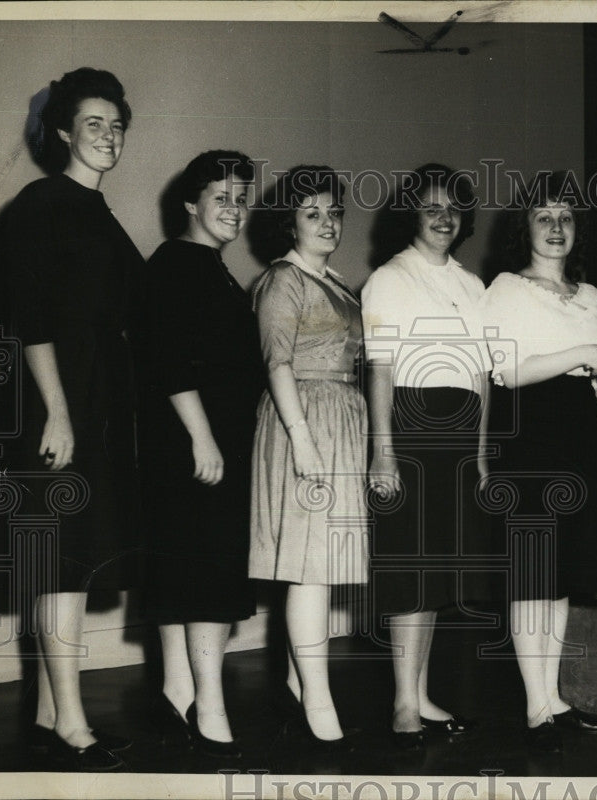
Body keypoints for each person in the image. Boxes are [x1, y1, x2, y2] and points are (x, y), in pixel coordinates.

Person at [0, 68, 143, 771]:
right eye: (94, 123)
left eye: (117, 125)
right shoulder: (41, 204)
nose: (109, 135)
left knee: (73, 560)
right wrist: (57, 414)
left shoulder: (98, 211)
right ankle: (74, 728)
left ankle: (49, 714)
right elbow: (32, 322)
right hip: (57, 404)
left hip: (95, 401)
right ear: (61, 132)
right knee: (59, 562)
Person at [480, 172, 597, 752]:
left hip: (582, 437)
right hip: (530, 434)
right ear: (526, 228)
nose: (557, 227)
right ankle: (535, 704)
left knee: (562, 572)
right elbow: (509, 371)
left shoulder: (591, 297)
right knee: (532, 573)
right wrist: (588, 352)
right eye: (544, 217)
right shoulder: (507, 289)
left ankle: (555, 698)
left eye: (567, 217)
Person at [139, 151, 263, 758]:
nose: (234, 210)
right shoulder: (177, 265)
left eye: (241, 199)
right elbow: (166, 358)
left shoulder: (208, 267)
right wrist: (203, 437)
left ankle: (176, 695)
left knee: (185, 571)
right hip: (196, 444)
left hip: (205, 443)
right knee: (209, 574)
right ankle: (210, 709)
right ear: (191, 205)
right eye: (221, 198)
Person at [361, 164, 489, 749]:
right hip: (411, 426)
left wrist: (482, 454)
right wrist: (383, 453)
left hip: (461, 435)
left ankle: (421, 692)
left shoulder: (471, 283)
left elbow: (483, 377)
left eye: (453, 209)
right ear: (411, 215)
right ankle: (402, 703)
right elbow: (381, 369)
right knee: (411, 569)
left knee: (437, 571)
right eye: (431, 208)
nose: (443, 218)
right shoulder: (390, 278)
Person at [250, 166, 368, 746]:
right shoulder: (282, 280)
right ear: (289, 223)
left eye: (333, 212)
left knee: (320, 565)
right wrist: (301, 438)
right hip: (304, 422)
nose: (326, 223)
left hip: (340, 418)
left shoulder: (338, 281)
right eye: (311, 213)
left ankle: (303, 687)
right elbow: (277, 364)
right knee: (309, 568)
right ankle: (318, 698)